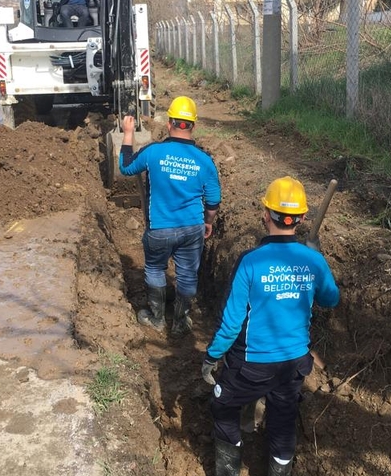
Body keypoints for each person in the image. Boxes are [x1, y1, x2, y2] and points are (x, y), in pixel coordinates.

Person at [201, 176, 340, 476]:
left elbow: (231, 322)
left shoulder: (250, 261)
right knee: (283, 420)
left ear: (265, 214)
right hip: (294, 364)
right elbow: (331, 299)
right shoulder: (313, 260)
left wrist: (212, 356)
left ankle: (229, 470)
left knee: (222, 406)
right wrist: (315, 259)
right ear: (302, 218)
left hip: (251, 366)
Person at [119, 96, 222, 336]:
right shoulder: (205, 161)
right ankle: (180, 321)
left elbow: (125, 167)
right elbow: (213, 201)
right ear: (193, 125)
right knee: (187, 274)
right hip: (192, 228)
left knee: (155, 269)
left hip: (160, 228)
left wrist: (128, 134)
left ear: (169, 124)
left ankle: (157, 319)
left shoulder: (154, 152)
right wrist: (208, 222)